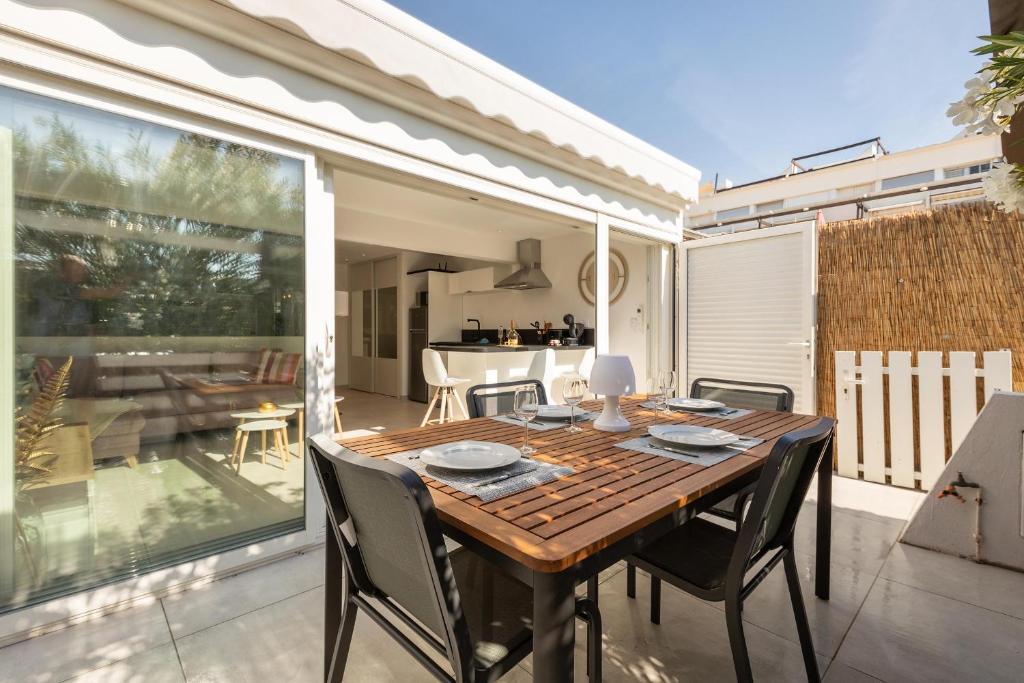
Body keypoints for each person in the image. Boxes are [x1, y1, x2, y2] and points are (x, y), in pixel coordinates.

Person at [32, 254, 125, 337]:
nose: (81, 274)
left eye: (82, 270)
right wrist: (127, 277)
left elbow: (92, 326)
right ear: (62, 272)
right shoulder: (52, 289)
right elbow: (111, 293)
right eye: (76, 270)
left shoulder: (85, 300)